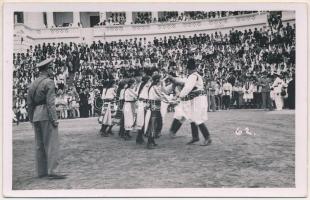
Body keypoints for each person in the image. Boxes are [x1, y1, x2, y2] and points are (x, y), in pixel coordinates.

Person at [27, 58, 66, 179]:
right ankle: (54, 170)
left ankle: (41, 171)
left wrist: (30, 118)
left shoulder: (33, 83)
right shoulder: (49, 82)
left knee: (39, 144)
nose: (52, 70)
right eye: (51, 68)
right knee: (51, 143)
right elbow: (50, 103)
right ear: (48, 69)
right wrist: (54, 118)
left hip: (36, 115)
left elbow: (29, 104)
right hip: (46, 114)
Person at [177, 59, 212, 146]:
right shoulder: (195, 76)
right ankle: (195, 137)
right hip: (195, 98)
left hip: (198, 99)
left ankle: (207, 137)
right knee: (192, 117)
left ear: (189, 69)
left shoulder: (193, 76)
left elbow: (187, 88)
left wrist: (180, 95)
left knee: (197, 118)